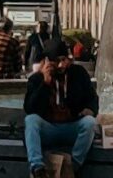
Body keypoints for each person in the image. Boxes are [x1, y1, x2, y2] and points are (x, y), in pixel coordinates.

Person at [21, 46, 98, 178]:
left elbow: (93, 98)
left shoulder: (78, 73)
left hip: (71, 125)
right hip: (48, 126)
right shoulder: (36, 79)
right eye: (56, 61)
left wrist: (90, 109)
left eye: (64, 60)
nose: (61, 65)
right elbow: (29, 108)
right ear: (47, 61)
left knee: (89, 123)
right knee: (31, 120)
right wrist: (45, 83)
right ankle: (37, 168)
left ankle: (74, 165)